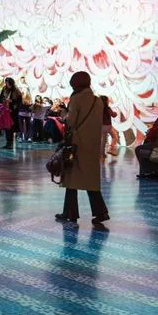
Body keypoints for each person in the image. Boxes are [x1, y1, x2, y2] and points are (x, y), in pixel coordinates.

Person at [55, 71, 110, 227]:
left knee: (71, 180)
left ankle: (70, 214)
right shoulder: (97, 101)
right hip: (92, 145)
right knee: (90, 181)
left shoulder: (77, 98)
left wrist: (64, 114)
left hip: (76, 144)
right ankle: (101, 212)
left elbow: (71, 122)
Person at [0, 77, 22, 149]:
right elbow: (1, 98)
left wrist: (11, 101)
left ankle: (10, 143)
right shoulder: (4, 89)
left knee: (11, 127)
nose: (6, 84)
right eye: (6, 82)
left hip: (12, 112)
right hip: (5, 110)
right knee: (6, 127)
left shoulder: (16, 91)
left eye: (7, 82)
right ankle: (8, 143)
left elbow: (19, 101)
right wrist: (2, 99)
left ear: (11, 83)